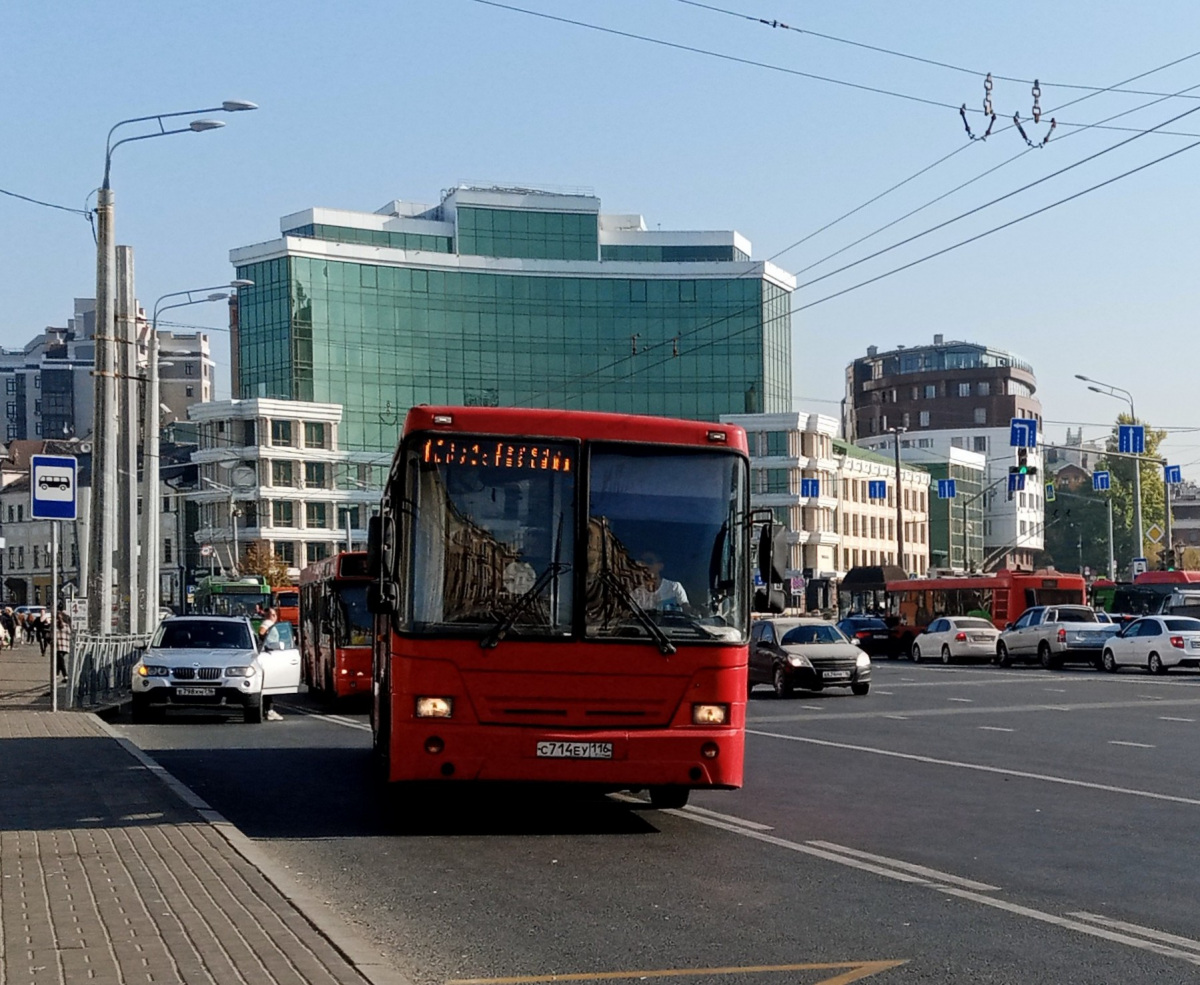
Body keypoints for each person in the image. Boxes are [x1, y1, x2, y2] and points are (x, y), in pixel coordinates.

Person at [54, 608, 71, 682]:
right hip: (66, 645)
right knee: (60, 660)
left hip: (58, 645)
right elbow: (70, 633)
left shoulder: (55, 625)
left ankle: (65, 675)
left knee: (61, 660)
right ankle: (56, 674)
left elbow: (51, 635)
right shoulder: (66, 625)